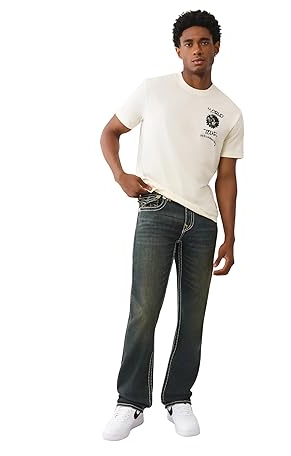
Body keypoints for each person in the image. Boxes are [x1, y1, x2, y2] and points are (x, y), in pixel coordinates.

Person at [100, 10, 244, 440]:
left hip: (203, 222)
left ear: (217, 47)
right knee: (144, 309)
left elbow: (227, 177)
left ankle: (179, 397)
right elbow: (110, 132)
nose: (197, 50)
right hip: (156, 209)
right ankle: (130, 403)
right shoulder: (154, 90)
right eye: (188, 44)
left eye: (204, 42)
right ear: (178, 50)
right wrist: (120, 175)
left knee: (193, 316)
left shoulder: (229, 111)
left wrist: (230, 235)